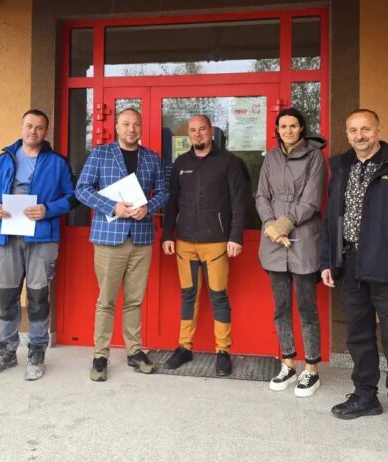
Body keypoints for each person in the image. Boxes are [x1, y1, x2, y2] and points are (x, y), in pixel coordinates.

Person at [0, 109, 75, 381]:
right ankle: (7, 351)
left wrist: (48, 209)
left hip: (42, 237)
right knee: (6, 295)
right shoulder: (3, 159)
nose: (34, 131)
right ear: (21, 128)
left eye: (40, 127)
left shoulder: (57, 162)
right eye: (29, 126)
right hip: (7, 236)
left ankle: (36, 351)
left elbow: (74, 197)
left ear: (46, 132)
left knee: (37, 297)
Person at [75, 107, 168, 382]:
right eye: (126, 124)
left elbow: (164, 192)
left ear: (141, 127)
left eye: (136, 124)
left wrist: (148, 208)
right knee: (106, 300)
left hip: (141, 238)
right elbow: (81, 189)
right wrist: (112, 206)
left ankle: (134, 351)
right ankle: (100, 355)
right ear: (116, 127)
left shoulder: (151, 157)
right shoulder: (100, 154)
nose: (131, 129)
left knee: (135, 300)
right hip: (109, 238)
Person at [162, 114, 245, 376]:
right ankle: (184, 346)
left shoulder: (228, 162)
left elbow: (239, 202)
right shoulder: (181, 163)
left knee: (218, 296)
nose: (197, 134)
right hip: (185, 242)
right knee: (188, 295)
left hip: (217, 242)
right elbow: (171, 201)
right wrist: (167, 235)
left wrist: (235, 237)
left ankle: (223, 351)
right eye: (193, 130)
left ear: (211, 131)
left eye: (202, 129)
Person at [321, 108, 388, 419]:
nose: (359, 136)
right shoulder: (341, 165)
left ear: (378, 130)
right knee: (359, 334)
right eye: (353, 130)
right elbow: (331, 218)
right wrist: (327, 260)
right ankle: (365, 396)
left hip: (384, 262)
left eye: (366, 129)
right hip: (350, 262)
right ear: (347, 134)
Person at [256, 108, 326, 397]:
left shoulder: (315, 156)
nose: (288, 131)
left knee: (307, 308)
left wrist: (283, 225)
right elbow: (262, 195)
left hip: (304, 238)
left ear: (301, 128)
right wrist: (271, 226)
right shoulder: (271, 157)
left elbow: (311, 199)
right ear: (277, 129)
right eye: (283, 126)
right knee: (281, 307)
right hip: (273, 240)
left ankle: (311, 368)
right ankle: (287, 363)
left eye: (293, 126)